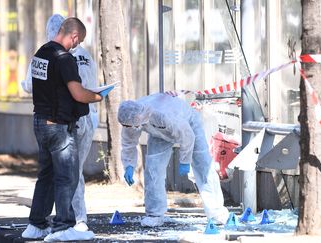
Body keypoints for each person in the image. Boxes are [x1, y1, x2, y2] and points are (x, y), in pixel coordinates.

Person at [21, 17, 107, 242]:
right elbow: (78, 93)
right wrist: (98, 96)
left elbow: (31, 85)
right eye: (77, 42)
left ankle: (36, 225)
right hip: (58, 125)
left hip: (40, 122)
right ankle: (63, 226)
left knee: (46, 175)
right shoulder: (65, 58)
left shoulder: (40, 53)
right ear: (74, 36)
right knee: (66, 176)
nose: (76, 46)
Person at [118, 93, 229, 227]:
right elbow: (128, 143)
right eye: (127, 126)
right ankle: (154, 214)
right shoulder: (130, 117)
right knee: (153, 170)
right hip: (159, 133)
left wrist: (185, 161)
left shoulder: (164, 115)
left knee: (203, 165)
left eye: (131, 126)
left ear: (138, 117)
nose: (129, 129)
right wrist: (129, 165)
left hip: (188, 123)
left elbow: (187, 136)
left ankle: (216, 212)